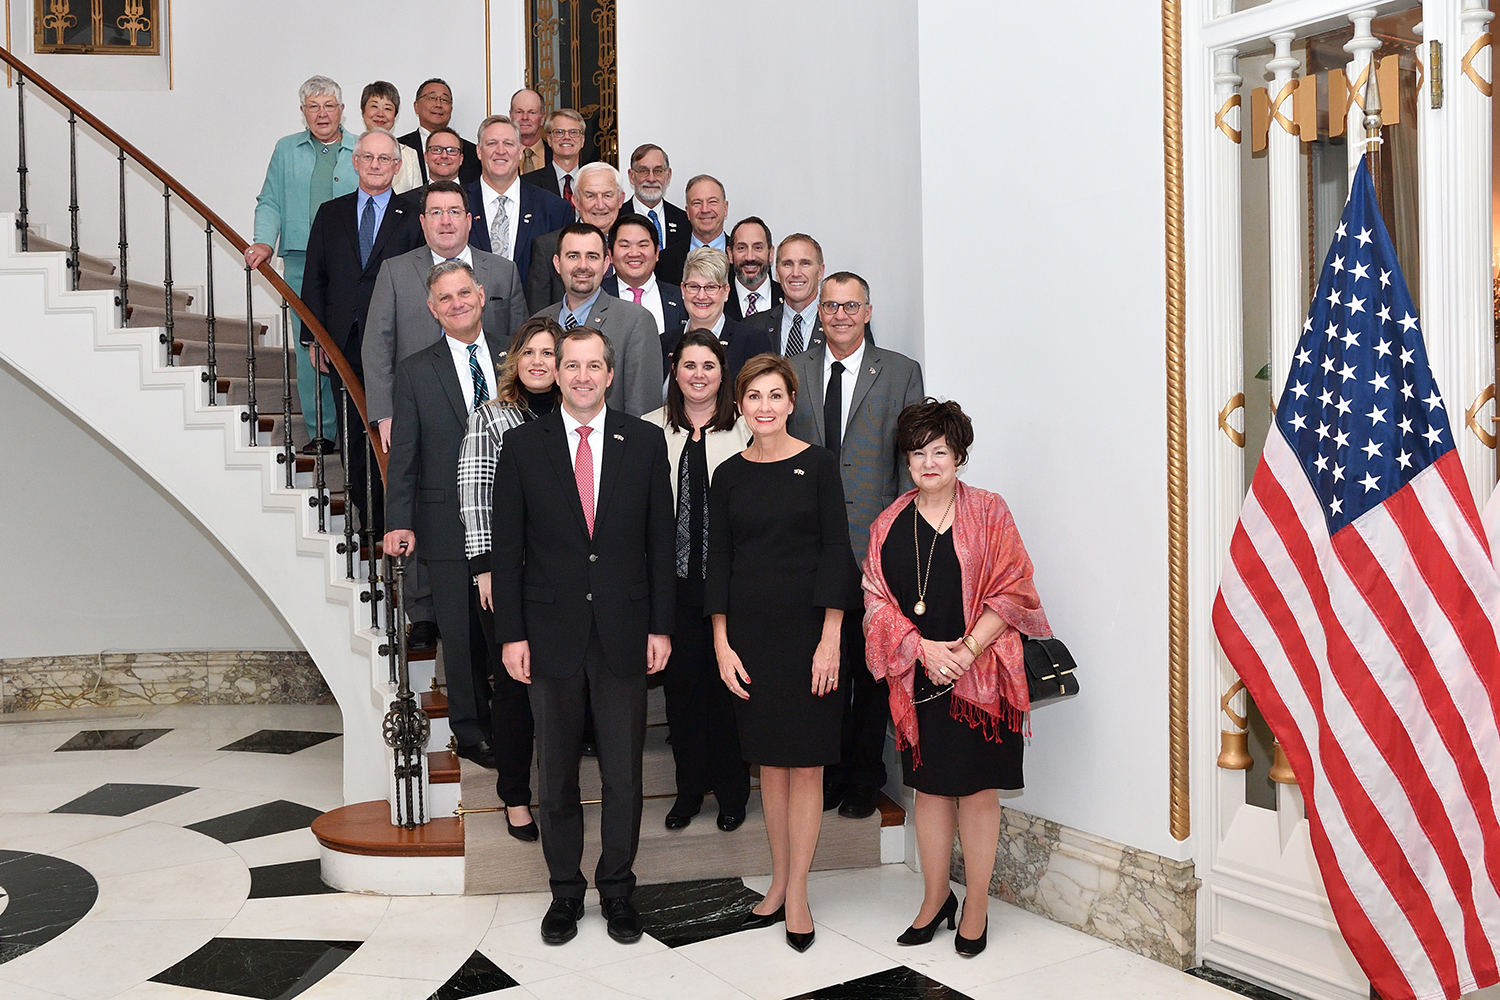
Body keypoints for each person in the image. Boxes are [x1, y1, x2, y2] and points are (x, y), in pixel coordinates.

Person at [490, 327, 675, 947]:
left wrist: (661, 627)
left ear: (610, 374)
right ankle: (565, 892)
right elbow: (508, 549)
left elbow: (659, 545)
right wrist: (512, 634)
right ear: (555, 373)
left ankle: (619, 890)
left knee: (624, 773)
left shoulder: (646, 443)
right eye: (572, 365)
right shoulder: (520, 446)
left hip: (625, 631)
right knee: (557, 773)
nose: (582, 376)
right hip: (549, 634)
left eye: (594, 365)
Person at [863, 399, 1051, 958]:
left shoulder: (990, 511)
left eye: (938, 451)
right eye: (917, 452)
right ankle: (934, 897)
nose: (927, 462)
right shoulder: (888, 523)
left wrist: (966, 651)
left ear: (959, 455)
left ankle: (977, 906)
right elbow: (874, 601)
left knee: (978, 792)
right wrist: (920, 649)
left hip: (983, 677)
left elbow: (1015, 588)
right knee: (929, 792)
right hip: (921, 675)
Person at [706, 353, 858, 952]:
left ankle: (798, 893)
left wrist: (831, 638)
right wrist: (720, 641)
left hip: (809, 635)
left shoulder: (819, 466)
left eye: (775, 395)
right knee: (770, 765)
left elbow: (835, 553)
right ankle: (777, 881)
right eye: (754, 397)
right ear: (739, 405)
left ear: (792, 402)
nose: (765, 407)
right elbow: (717, 561)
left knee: (807, 765)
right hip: (750, 636)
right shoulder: (729, 475)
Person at [787, 272, 924, 821]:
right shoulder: (794, 370)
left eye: (850, 306)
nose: (839, 315)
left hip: (875, 543)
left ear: (867, 311)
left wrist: (901, 539)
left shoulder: (899, 371)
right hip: (806, 544)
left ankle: (865, 776)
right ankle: (828, 771)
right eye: (830, 306)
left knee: (871, 669)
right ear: (818, 312)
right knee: (818, 666)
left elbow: (911, 462)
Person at [384, 261, 505, 771]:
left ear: (480, 295)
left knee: (512, 628)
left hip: (517, 519)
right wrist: (398, 520)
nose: (457, 303)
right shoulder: (415, 370)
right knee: (462, 635)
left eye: (464, 293)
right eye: (445, 298)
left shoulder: (516, 356)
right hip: (447, 522)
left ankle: (522, 719)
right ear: (433, 309)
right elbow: (405, 453)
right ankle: (472, 728)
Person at [456, 317, 565, 842]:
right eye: (531, 352)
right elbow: (475, 497)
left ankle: (561, 791)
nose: (540, 362)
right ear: (515, 360)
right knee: (515, 691)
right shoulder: (492, 419)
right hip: (507, 574)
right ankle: (516, 797)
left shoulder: (577, 419)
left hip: (564, 577)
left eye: (550, 353)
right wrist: (485, 569)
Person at [643, 331, 752, 832]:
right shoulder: (647, 431)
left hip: (731, 588)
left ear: (722, 373)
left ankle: (731, 793)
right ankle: (688, 793)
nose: (699, 375)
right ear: (675, 370)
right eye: (690, 365)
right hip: (674, 585)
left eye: (709, 366)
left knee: (729, 696)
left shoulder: (748, 430)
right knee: (683, 696)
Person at [299, 129, 423, 540]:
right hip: (342, 342)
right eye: (367, 157)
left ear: (397, 166)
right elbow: (314, 278)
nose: (374, 165)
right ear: (355, 161)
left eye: (384, 159)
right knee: (353, 434)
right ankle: (368, 518)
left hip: (397, 345)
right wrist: (312, 338)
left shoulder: (414, 215)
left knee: (395, 431)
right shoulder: (330, 214)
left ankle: (397, 516)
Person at [246, 75, 351, 453]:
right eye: (313, 106)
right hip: (301, 262)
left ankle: (355, 428)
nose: (321, 114)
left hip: (351, 265)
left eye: (328, 106)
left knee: (351, 346)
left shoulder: (360, 149)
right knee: (310, 349)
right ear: (303, 112)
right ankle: (321, 431)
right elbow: (270, 200)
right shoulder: (286, 149)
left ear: (341, 110)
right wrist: (263, 241)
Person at [531, 223, 661, 417]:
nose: (582, 265)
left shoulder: (636, 321)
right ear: (557, 264)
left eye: (592, 256)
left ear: (606, 264)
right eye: (573, 256)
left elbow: (644, 413)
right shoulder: (537, 323)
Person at [465, 115, 574, 308]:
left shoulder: (554, 209)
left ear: (521, 151)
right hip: (470, 319)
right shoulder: (458, 205)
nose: (500, 151)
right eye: (492, 143)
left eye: (508, 143)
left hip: (535, 324)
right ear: (479, 151)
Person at [526, 161, 625, 312]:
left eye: (607, 195)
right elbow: (539, 316)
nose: (600, 205)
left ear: (620, 200)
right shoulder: (548, 247)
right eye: (590, 196)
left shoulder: (634, 248)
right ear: (576, 201)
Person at [670, 248, 772, 384]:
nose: (701, 296)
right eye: (694, 286)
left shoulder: (753, 342)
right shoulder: (665, 343)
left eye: (711, 287)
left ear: (726, 292)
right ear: (683, 290)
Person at [604, 214, 687, 369]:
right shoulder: (598, 296)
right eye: (625, 245)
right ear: (611, 254)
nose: (634, 253)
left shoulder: (681, 298)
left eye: (643, 245)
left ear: (656, 252)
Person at [745, 234, 825, 356]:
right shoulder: (752, 327)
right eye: (788, 264)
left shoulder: (838, 325)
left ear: (820, 272)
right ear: (777, 273)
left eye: (805, 263)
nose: (796, 273)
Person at [397, 78, 480, 184]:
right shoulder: (399, 148)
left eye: (444, 100)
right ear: (416, 106)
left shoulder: (472, 152)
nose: (438, 104)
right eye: (432, 98)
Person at [656, 174, 729, 286]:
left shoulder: (742, 257)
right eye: (697, 203)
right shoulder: (665, 261)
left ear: (725, 208)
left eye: (712, 202)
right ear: (688, 212)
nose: (705, 210)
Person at [359, 81, 422, 194]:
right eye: (374, 106)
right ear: (363, 111)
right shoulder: (350, 150)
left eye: (387, 108)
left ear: (395, 115)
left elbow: (417, 199)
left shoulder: (409, 155)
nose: (380, 114)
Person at [621, 144, 687, 251]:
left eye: (658, 171)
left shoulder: (684, 221)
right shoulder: (616, 218)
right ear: (631, 176)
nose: (651, 179)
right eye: (643, 171)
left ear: (668, 175)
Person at [522, 108, 588, 203]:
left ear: (582, 140)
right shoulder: (528, 184)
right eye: (559, 132)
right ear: (549, 139)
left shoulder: (597, 181)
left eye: (573, 132)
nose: (566, 137)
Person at [725, 217, 781, 321]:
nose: (750, 257)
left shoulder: (788, 298)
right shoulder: (717, 300)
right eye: (741, 248)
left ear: (771, 253)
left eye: (758, 248)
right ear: (730, 254)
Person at [510, 87, 551, 175]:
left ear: (542, 119)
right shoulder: (500, 155)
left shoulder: (555, 155)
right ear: (511, 116)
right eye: (519, 112)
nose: (525, 117)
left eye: (532, 112)